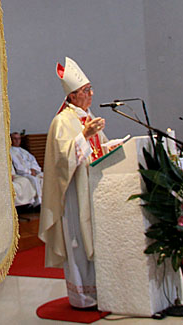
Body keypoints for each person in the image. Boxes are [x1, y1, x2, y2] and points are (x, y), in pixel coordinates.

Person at [39, 57, 123, 309]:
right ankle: (83, 296)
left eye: (90, 89)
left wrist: (112, 146)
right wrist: (84, 135)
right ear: (73, 96)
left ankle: (104, 289)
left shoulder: (88, 116)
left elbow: (97, 150)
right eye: (86, 91)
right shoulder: (62, 121)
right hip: (74, 194)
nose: (91, 94)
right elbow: (62, 162)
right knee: (78, 239)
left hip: (94, 189)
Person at [10, 132, 43, 206]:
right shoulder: (10, 151)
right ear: (11, 139)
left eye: (19, 139)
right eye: (15, 139)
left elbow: (33, 161)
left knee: (44, 177)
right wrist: (30, 172)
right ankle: (37, 200)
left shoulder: (24, 151)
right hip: (23, 173)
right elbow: (18, 167)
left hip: (32, 171)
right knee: (33, 179)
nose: (17, 141)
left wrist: (34, 169)